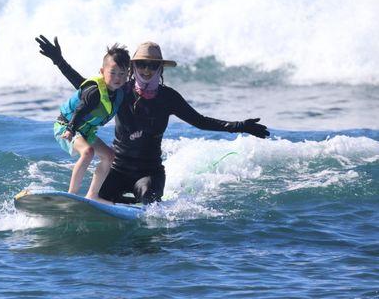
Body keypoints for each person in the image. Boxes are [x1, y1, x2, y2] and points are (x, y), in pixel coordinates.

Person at [36, 35, 269, 205]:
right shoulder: (120, 90)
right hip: (118, 169)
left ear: (160, 67)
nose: (147, 69)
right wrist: (59, 60)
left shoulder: (168, 98)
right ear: (133, 67)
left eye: (153, 65)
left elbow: (200, 121)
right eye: (141, 64)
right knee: (98, 201)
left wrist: (240, 126)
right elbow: (85, 87)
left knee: (148, 198)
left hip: (149, 172)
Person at [53, 44, 130, 203]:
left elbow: (77, 80)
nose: (118, 78)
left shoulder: (119, 93)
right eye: (113, 73)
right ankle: (72, 196)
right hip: (66, 126)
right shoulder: (94, 90)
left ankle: (92, 195)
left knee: (109, 156)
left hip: (86, 130)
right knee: (87, 152)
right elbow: (79, 110)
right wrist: (70, 130)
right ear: (102, 72)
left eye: (122, 74)